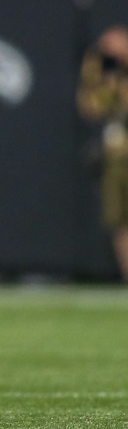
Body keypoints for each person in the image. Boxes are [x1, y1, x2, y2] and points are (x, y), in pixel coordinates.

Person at [77, 26, 128, 281]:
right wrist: (98, 72)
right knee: (119, 219)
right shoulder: (106, 72)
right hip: (116, 155)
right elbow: (91, 107)